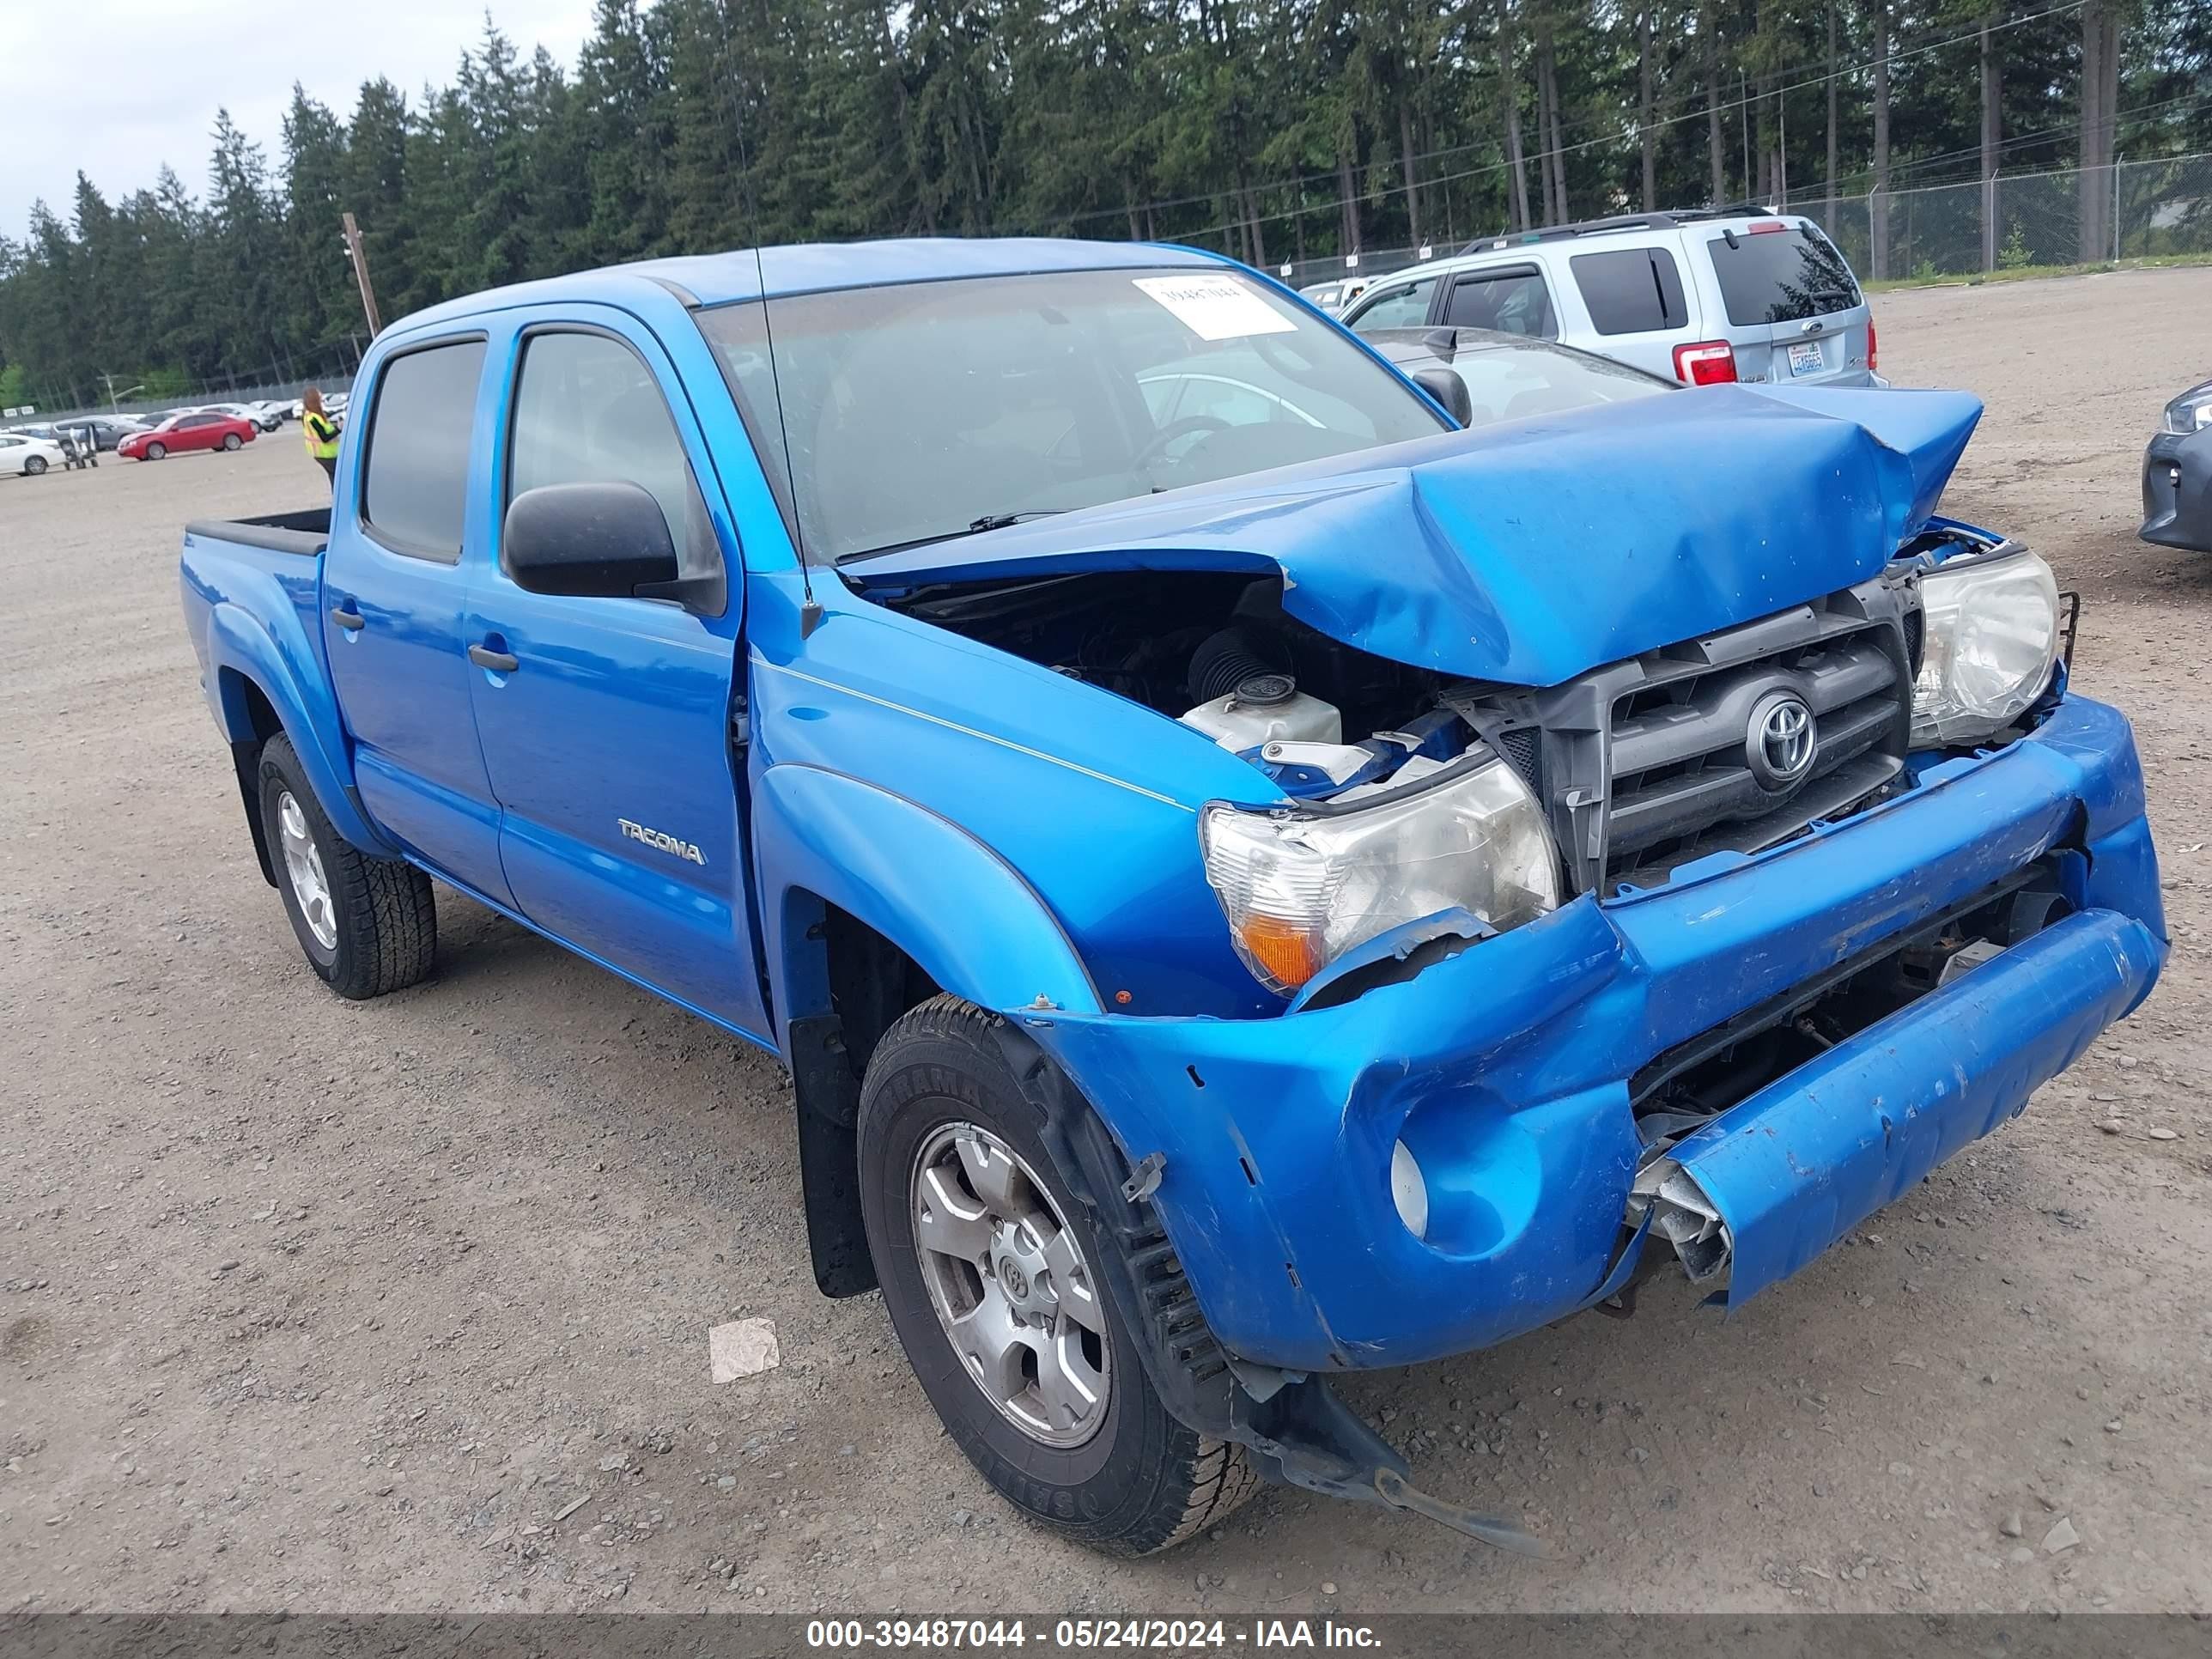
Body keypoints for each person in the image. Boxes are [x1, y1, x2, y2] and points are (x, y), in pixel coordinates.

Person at [301, 388, 341, 487]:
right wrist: (339, 429)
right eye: (320, 397)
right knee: (338, 479)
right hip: (326, 454)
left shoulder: (310, 415)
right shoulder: (313, 418)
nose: (322, 398)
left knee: (335, 478)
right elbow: (325, 438)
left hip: (323, 453)